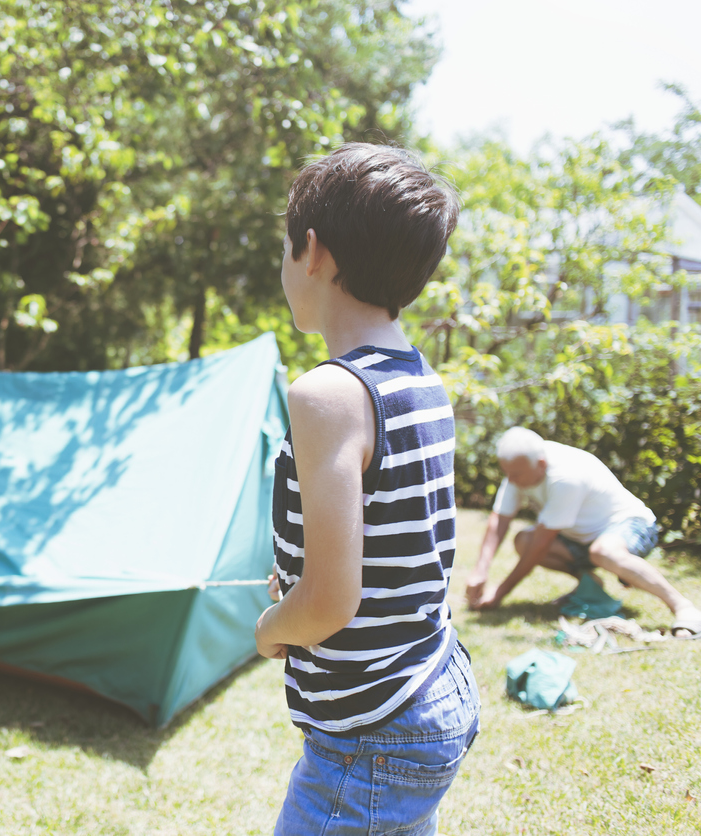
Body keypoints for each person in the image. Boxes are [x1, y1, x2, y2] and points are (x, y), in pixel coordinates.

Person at [254, 143, 479, 836]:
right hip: (432, 684)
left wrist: (272, 628)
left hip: (371, 731)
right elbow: (392, 536)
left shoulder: (327, 393)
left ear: (312, 251)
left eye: (285, 248)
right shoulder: (420, 378)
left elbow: (329, 602)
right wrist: (294, 574)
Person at [466, 427, 701, 636]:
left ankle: (682, 606)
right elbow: (500, 519)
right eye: (507, 473)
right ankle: (590, 583)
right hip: (581, 540)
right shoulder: (520, 468)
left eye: (515, 475)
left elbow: (541, 545)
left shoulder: (565, 476)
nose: (510, 481)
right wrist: (480, 571)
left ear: (541, 464)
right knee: (523, 540)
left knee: (603, 551)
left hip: (632, 525)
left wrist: (500, 592)